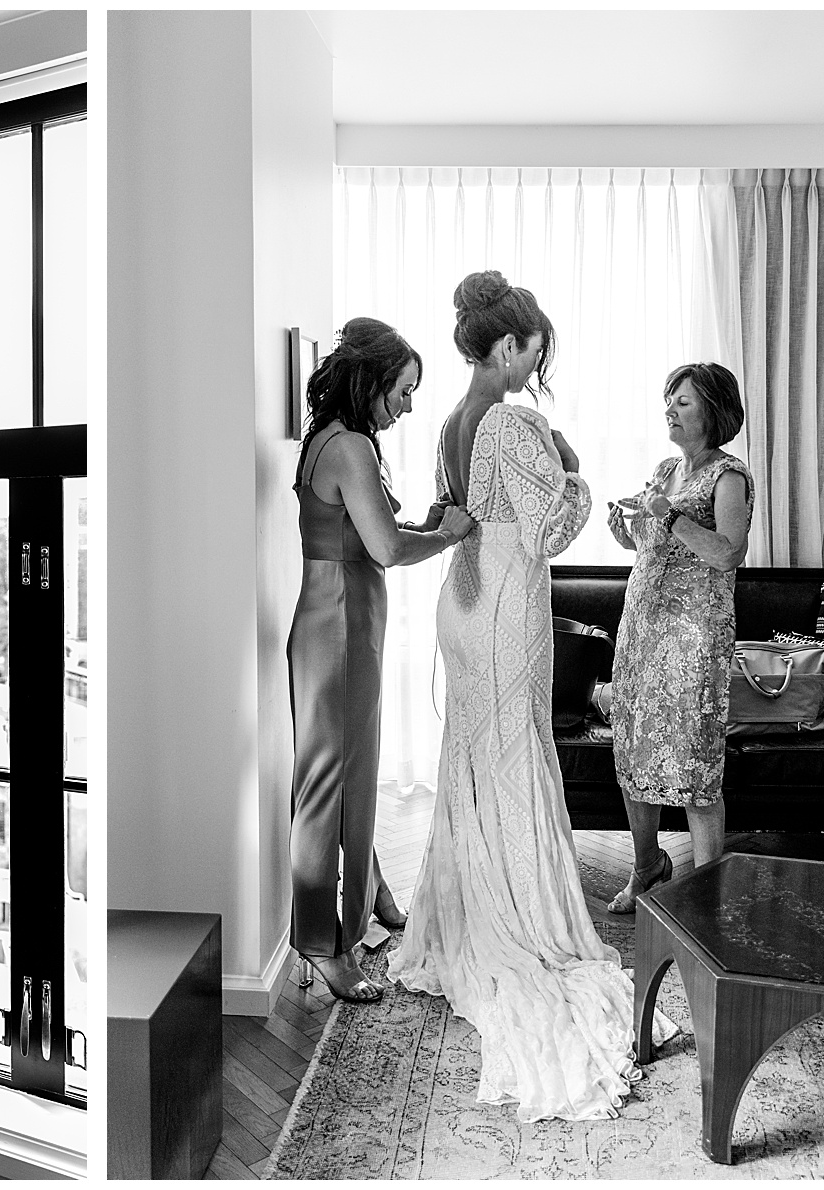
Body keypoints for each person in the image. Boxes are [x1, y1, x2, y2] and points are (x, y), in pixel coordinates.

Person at [387, 270, 675, 1121]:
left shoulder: (449, 419)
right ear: (505, 345)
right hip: (508, 601)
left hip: (463, 601)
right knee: (512, 752)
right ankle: (515, 913)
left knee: (477, 755)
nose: (533, 366)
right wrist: (576, 468)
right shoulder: (512, 421)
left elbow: (459, 512)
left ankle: (474, 902)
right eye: (532, 351)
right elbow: (554, 522)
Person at [288, 317, 476, 1003]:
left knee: (351, 774)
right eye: (402, 390)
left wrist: (428, 524)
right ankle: (320, 946)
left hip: (341, 624)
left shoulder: (337, 442)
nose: (408, 404)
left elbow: (377, 534)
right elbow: (388, 552)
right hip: (338, 628)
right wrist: (449, 535)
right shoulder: (350, 450)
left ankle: (371, 895)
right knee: (326, 790)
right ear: (369, 382)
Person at [606, 363, 752, 913]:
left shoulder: (729, 476)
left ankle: (709, 896)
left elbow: (728, 552)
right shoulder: (666, 468)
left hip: (695, 640)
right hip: (642, 630)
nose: (669, 408)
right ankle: (647, 868)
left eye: (683, 402)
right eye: (668, 399)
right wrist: (630, 526)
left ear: (712, 410)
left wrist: (666, 517)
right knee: (635, 750)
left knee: (695, 765)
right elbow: (649, 543)